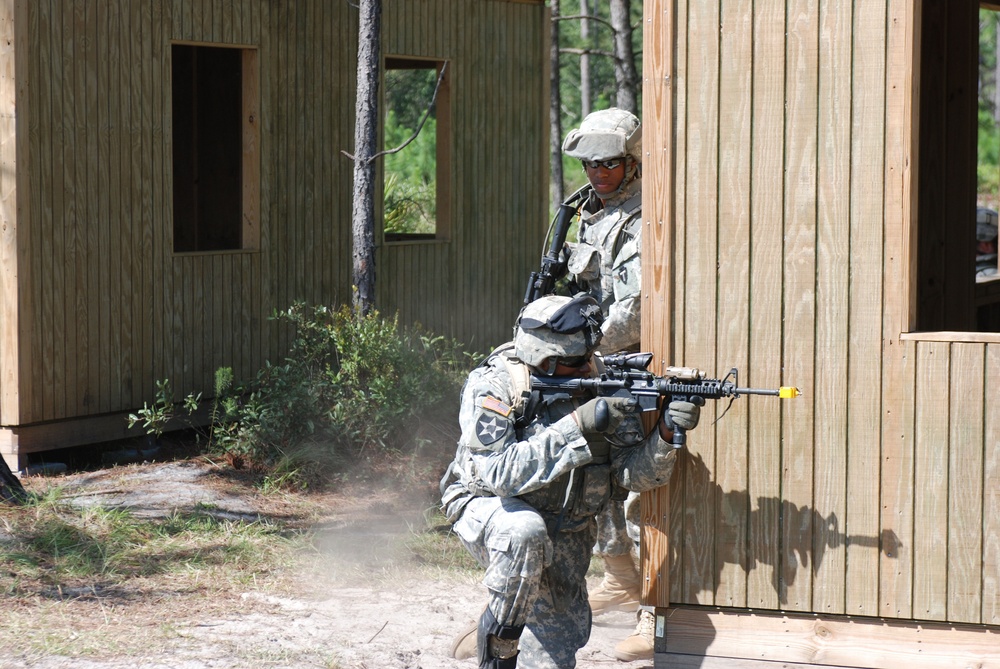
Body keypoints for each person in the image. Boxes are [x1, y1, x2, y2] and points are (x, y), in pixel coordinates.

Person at [440, 294, 701, 669]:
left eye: (588, 356)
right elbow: (499, 475)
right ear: (544, 358)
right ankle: (500, 640)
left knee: (551, 659)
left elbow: (632, 476)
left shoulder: (603, 381)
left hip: (568, 532)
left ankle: (499, 620)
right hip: (490, 511)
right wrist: (578, 425)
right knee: (523, 531)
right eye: (574, 361)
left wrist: (665, 433)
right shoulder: (496, 384)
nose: (588, 366)